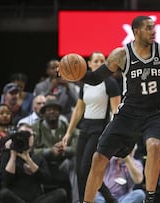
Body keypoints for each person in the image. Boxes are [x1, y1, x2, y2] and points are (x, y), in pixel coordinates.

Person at [70, 15, 160, 203]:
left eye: (154, 27)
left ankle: (150, 198)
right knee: (98, 157)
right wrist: (76, 74)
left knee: (154, 145)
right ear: (136, 32)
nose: (154, 31)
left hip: (155, 113)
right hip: (128, 113)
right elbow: (94, 78)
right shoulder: (121, 54)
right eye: (149, 28)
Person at [61, 51, 121, 201]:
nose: (100, 64)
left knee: (86, 168)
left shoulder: (110, 82)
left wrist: (114, 133)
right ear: (89, 64)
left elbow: (115, 110)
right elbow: (79, 109)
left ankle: (106, 199)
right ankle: (85, 200)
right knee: (79, 170)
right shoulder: (85, 83)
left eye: (102, 61)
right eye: (96, 61)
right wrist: (68, 132)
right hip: (84, 127)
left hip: (99, 128)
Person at [0, 123, 67, 203]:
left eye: (29, 135)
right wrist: (13, 155)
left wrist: (28, 160)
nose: (26, 137)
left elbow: (46, 179)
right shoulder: (7, 155)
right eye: (22, 134)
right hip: (16, 198)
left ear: (33, 137)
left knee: (61, 193)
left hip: (36, 199)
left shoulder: (38, 157)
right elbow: (6, 180)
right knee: (4, 194)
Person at [32, 99, 79, 203]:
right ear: (43, 114)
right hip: (43, 165)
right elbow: (30, 151)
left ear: (60, 113)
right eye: (49, 110)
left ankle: (76, 200)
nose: (53, 112)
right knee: (34, 160)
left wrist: (64, 149)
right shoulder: (35, 128)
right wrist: (49, 151)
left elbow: (77, 147)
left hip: (62, 164)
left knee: (76, 161)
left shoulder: (67, 127)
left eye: (55, 109)